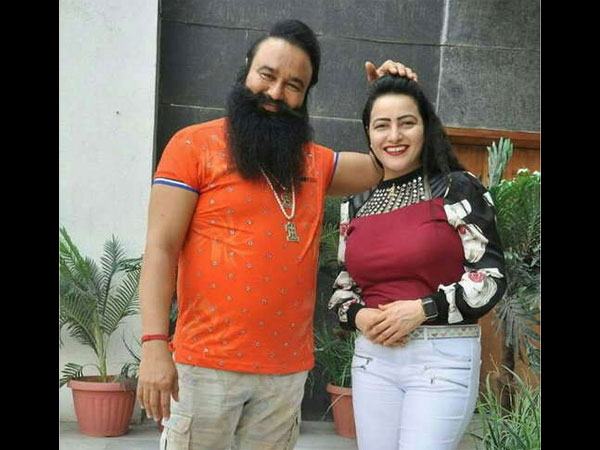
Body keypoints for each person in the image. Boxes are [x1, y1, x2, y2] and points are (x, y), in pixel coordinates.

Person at [137, 19, 417, 450]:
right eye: (266, 75)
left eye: (293, 85)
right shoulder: (192, 146)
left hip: (285, 375)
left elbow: (391, 162)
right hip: (205, 366)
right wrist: (154, 344)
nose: (275, 92)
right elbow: (161, 248)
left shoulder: (314, 162)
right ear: (246, 70)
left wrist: (388, 98)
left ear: (305, 95)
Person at [329, 74, 507, 450]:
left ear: (426, 128)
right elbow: (343, 289)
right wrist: (360, 316)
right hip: (372, 359)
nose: (394, 136)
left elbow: (490, 277)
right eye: (382, 125)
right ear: (368, 134)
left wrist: (422, 308)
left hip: (441, 359)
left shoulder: (458, 188)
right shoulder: (355, 204)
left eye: (406, 122)